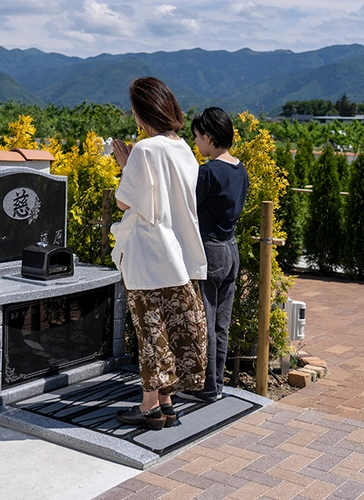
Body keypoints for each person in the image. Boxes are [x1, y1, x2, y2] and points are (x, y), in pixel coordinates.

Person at [110, 77, 208, 430]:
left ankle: (149, 409)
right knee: (165, 331)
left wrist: (126, 163)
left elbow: (125, 200)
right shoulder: (184, 150)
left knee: (150, 334)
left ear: (140, 112)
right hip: (177, 255)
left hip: (147, 256)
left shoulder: (145, 150)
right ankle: (165, 405)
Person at [178, 107, 249, 403]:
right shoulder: (240, 169)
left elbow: (185, 208)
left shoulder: (207, 173)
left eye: (196, 137)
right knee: (221, 325)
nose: (196, 143)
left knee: (204, 323)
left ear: (209, 137)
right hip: (232, 250)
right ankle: (216, 386)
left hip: (210, 252)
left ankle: (206, 388)